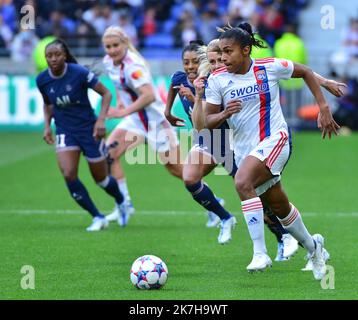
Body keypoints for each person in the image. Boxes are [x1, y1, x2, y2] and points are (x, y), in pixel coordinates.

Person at [204, 22, 340, 280]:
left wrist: (323, 107)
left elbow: (306, 72)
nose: (222, 57)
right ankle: (314, 248)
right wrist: (224, 113)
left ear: (246, 50)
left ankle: (259, 253)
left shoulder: (269, 67)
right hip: (246, 150)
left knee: (243, 182)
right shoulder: (217, 80)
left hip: (276, 139)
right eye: (220, 51)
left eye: (228, 51)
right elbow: (206, 122)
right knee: (279, 205)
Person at [165, 39, 298, 256]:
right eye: (185, 62)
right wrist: (167, 112)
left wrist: (197, 99)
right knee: (189, 178)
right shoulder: (181, 79)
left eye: (195, 62)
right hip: (208, 142)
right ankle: (225, 217)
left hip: (230, 143)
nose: (190, 67)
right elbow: (174, 85)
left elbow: (217, 114)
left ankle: (284, 236)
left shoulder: (217, 81)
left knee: (259, 198)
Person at [36, 39, 126, 232]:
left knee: (101, 179)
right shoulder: (42, 80)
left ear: (65, 55)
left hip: (89, 130)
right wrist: (46, 127)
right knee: (68, 174)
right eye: (49, 56)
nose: (53, 59)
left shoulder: (79, 73)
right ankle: (97, 217)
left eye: (57, 55)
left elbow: (106, 94)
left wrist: (101, 121)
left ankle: (121, 202)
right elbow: (48, 105)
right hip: (65, 131)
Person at [101, 26, 182, 225]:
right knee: (108, 155)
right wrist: (121, 101)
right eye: (108, 47)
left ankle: (213, 204)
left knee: (178, 170)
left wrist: (122, 112)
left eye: (115, 45)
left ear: (125, 44)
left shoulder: (133, 66)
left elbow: (149, 95)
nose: (112, 50)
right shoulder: (108, 62)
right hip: (135, 121)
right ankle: (124, 204)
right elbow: (119, 85)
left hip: (156, 122)